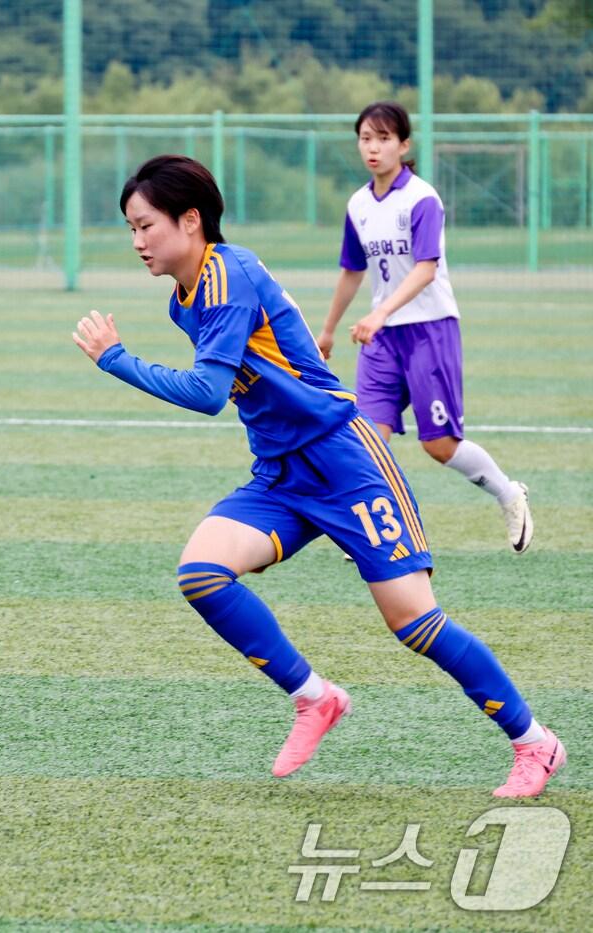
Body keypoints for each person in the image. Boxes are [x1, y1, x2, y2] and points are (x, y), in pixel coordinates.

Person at [71, 154, 564, 797]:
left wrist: (116, 360)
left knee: (414, 622)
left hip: (345, 462)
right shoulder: (185, 299)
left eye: (145, 226)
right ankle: (316, 698)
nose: (137, 242)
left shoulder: (228, 277)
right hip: (281, 473)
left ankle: (536, 743)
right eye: (130, 229)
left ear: (190, 221)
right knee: (201, 573)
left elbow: (206, 392)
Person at [319, 101, 532, 554]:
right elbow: (352, 270)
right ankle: (375, 535)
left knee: (439, 446)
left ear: (404, 144)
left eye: (383, 139)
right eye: (365, 139)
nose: (373, 148)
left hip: (429, 331)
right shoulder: (358, 204)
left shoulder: (422, 199)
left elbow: (425, 269)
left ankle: (509, 493)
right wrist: (329, 330)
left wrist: (379, 313)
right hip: (382, 341)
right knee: (367, 441)